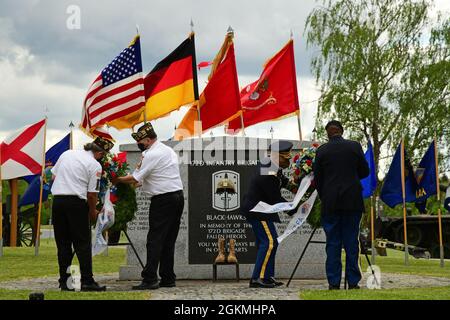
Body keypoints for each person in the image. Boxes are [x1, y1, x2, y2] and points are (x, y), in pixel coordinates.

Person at [113, 122, 184, 290]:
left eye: (140, 141)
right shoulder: (167, 150)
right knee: (168, 240)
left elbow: (135, 179)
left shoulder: (152, 154)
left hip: (163, 200)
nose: (140, 145)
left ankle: (150, 278)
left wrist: (116, 179)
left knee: (155, 240)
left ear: (147, 140)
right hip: (177, 197)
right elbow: (150, 178)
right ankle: (168, 277)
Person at [51, 136, 114, 291]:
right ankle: (87, 280)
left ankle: (64, 281)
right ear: (100, 153)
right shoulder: (94, 165)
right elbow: (92, 194)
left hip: (58, 200)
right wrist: (92, 211)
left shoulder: (67, 154)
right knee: (82, 243)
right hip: (76, 203)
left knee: (63, 243)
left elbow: (53, 176)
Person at [313, 120, 369, 290]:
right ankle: (353, 282)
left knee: (333, 243)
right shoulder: (354, 146)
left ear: (328, 133)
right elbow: (365, 171)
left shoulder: (322, 150)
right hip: (352, 202)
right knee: (352, 242)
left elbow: (318, 179)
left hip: (331, 203)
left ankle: (333, 282)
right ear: (342, 131)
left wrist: (325, 196)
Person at [240, 140, 295, 288]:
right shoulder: (267, 170)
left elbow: (283, 182)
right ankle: (257, 278)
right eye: (286, 158)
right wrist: (293, 208)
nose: (288, 161)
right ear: (278, 156)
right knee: (269, 242)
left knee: (269, 242)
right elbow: (274, 197)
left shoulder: (271, 165)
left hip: (262, 210)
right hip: (258, 211)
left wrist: (298, 187)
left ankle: (267, 276)